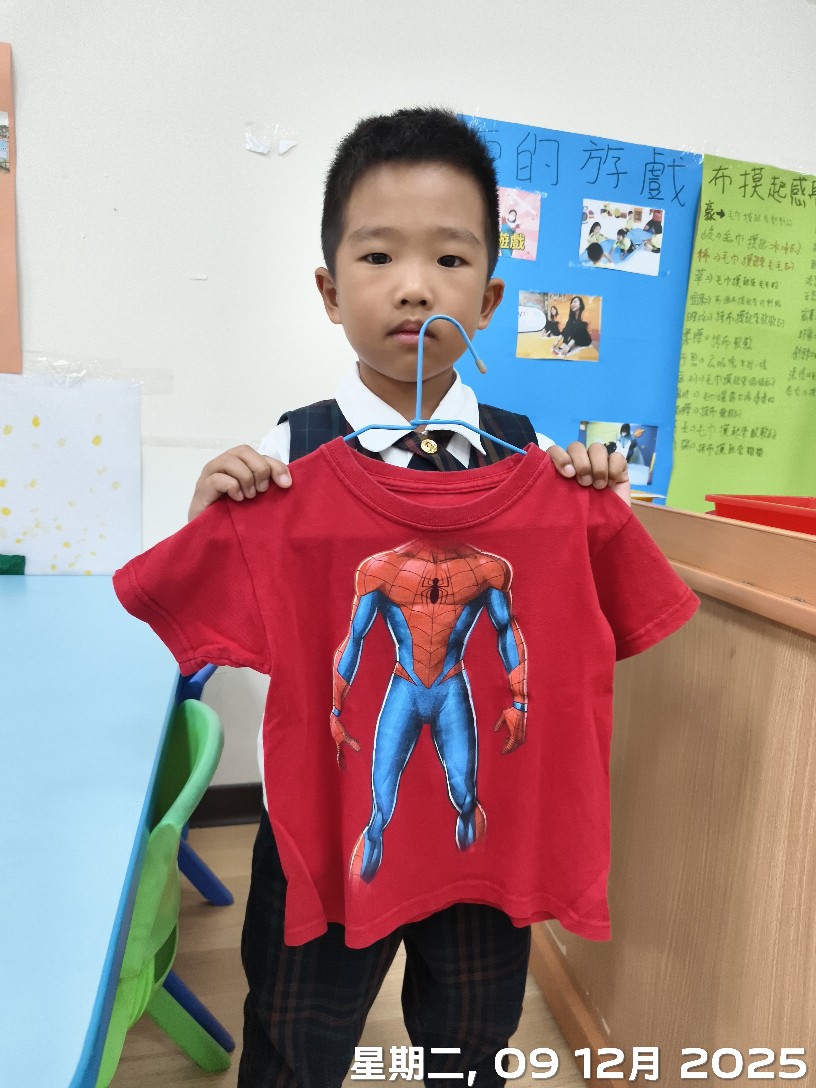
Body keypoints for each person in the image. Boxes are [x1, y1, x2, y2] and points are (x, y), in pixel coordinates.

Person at [187, 108, 630, 1088]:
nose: (416, 285)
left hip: (486, 832)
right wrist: (208, 519)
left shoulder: (537, 459)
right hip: (326, 815)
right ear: (330, 289)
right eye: (379, 254)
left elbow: (568, 621)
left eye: (451, 258)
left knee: (470, 1041)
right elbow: (224, 626)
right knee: (294, 1036)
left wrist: (596, 506)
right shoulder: (285, 454)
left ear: (490, 297)